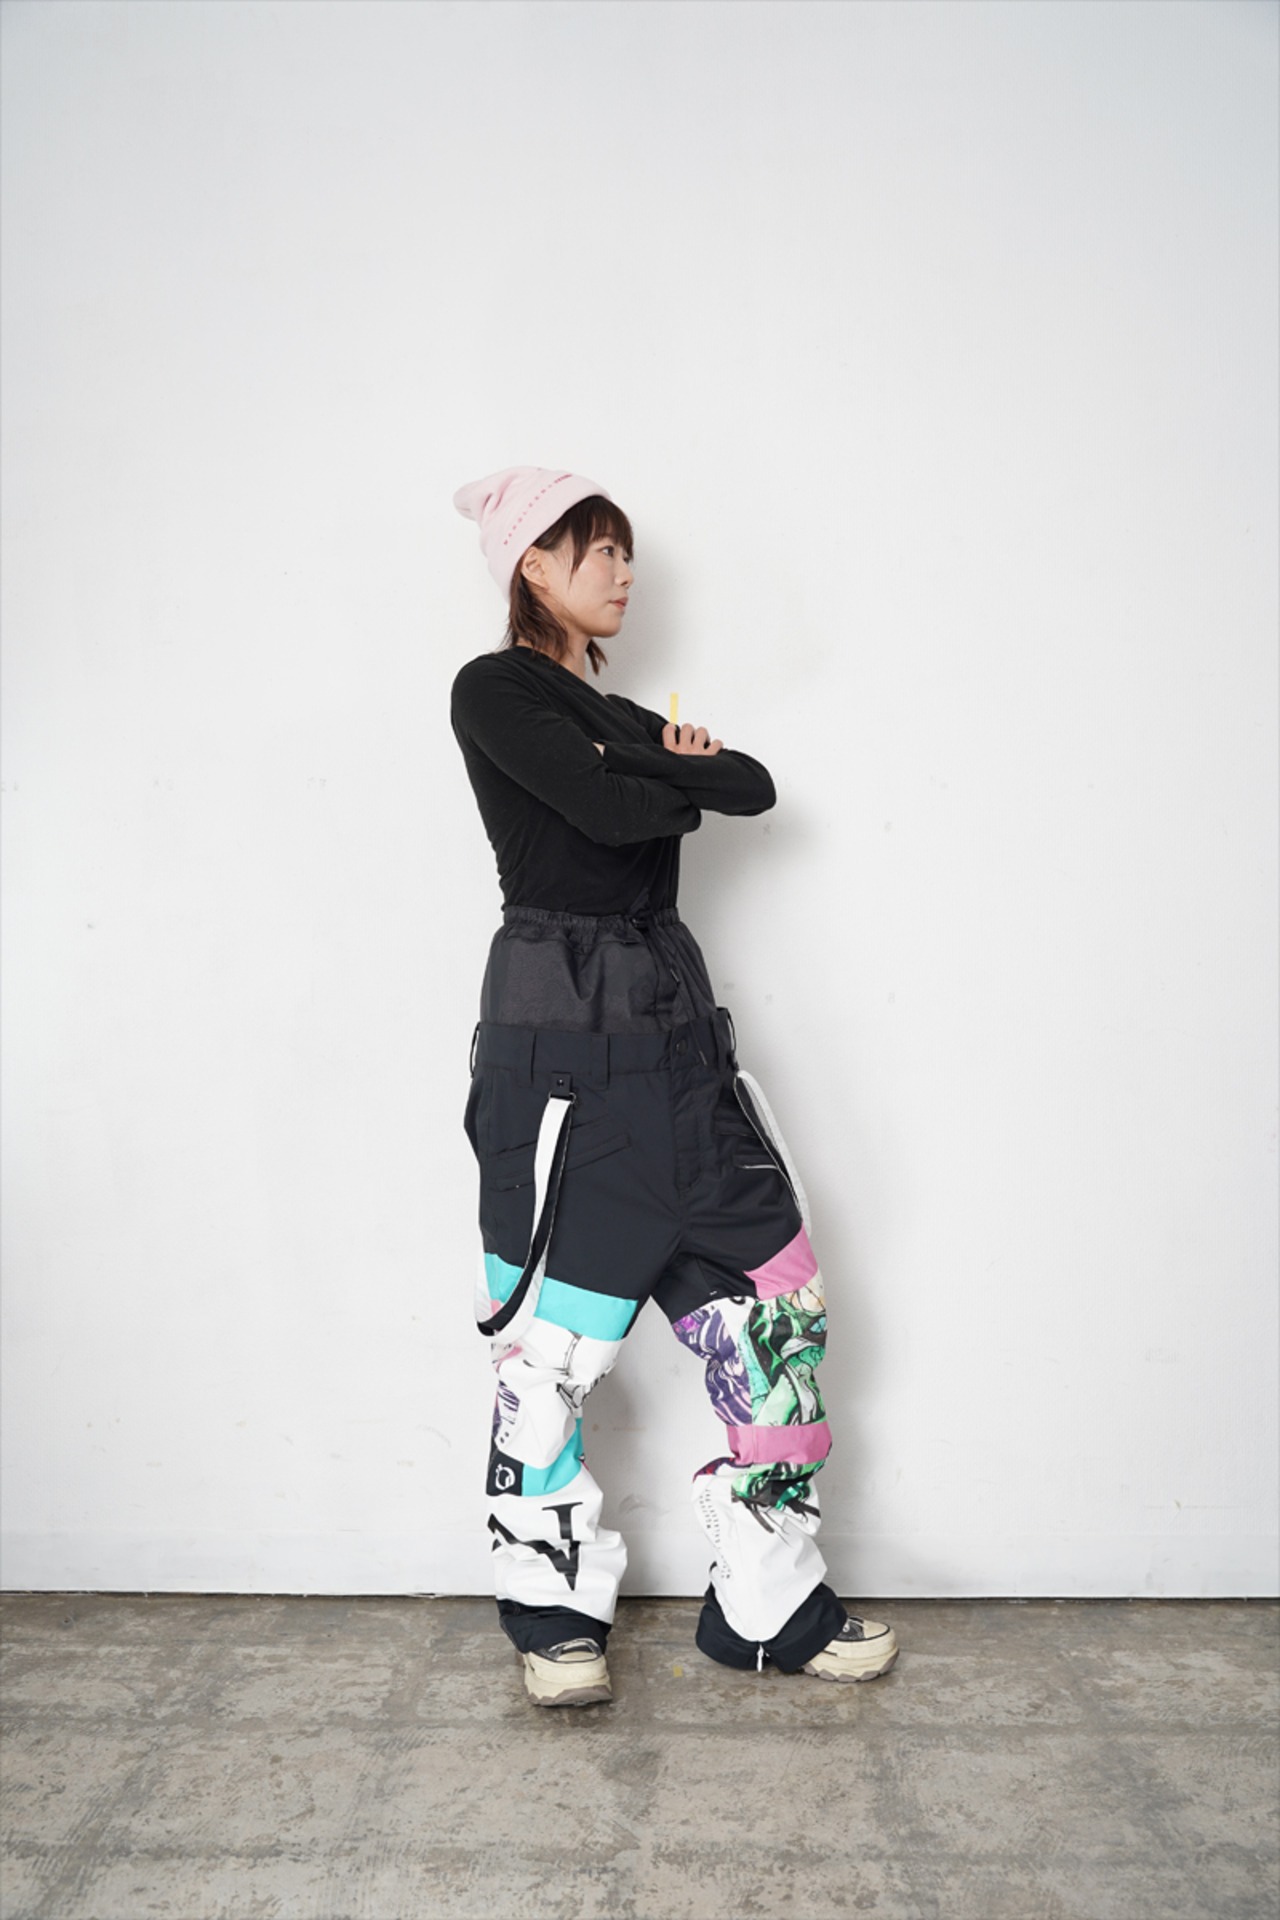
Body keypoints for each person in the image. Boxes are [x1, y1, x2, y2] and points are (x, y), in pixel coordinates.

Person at [450, 465, 898, 1707]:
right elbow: (604, 815)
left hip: (676, 1037)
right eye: (595, 550)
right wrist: (661, 772)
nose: (622, 571)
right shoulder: (493, 690)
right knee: (549, 1355)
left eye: (625, 551)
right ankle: (551, 1614)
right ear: (532, 563)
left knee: (775, 1318)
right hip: (559, 1046)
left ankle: (767, 1606)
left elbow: (747, 783)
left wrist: (651, 765)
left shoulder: (612, 712)